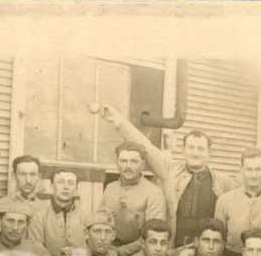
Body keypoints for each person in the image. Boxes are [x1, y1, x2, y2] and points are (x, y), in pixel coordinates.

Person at [97, 103, 237, 245]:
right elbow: (145, 146)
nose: (195, 153)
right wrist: (118, 120)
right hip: (171, 246)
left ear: (209, 153)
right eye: (191, 147)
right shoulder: (170, 170)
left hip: (205, 249)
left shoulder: (223, 182)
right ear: (183, 150)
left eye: (200, 148)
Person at [100, 141, 167, 256]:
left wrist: (121, 252)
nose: (128, 166)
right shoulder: (110, 188)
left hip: (138, 255)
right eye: (123, 161)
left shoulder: (153, 193)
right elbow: (99, 222)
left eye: (133, 161)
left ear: (142, 164)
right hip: (108, 251)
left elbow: (153, 235)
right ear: (117, 163)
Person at [29, 168, 89, 256]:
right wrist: (57, 255)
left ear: (76, 188)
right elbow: (35, 247)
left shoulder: (86, 216)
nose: (66, 187)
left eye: (71, 183)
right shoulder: (40, 216)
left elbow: (92, 247)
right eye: (60, 182)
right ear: (52, 186)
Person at [0, 155, 48, 234]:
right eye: (23, 174)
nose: (28, 180)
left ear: (39, 177)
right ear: (14, 176)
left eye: (32, 174)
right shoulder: (0, 205)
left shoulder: (44, 208)